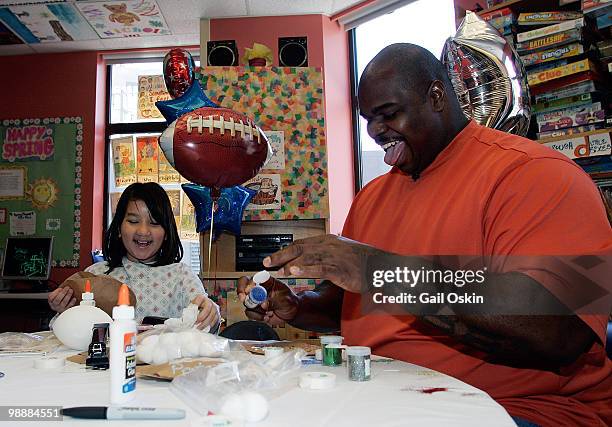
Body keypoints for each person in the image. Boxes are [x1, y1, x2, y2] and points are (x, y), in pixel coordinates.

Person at [238, 44, 612, 426]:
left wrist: (378, 271)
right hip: (379, 398)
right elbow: (345, 305)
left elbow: (560, 330)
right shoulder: (371, 198)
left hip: (516, 410)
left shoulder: (539, 174)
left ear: (436, 97)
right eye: (368, 119)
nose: (375, 131)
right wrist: (299, 306)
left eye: (388, 114)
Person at [49, 182, 220, 330]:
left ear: (166, 232)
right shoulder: (95, 274)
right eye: (133, 221)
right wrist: (65, 309)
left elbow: (205, 323)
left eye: (154, 223)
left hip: (163, 367)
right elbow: (69, 331)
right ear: (118, 227)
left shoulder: (181, 275)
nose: (143, 231)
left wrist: (211, 312)